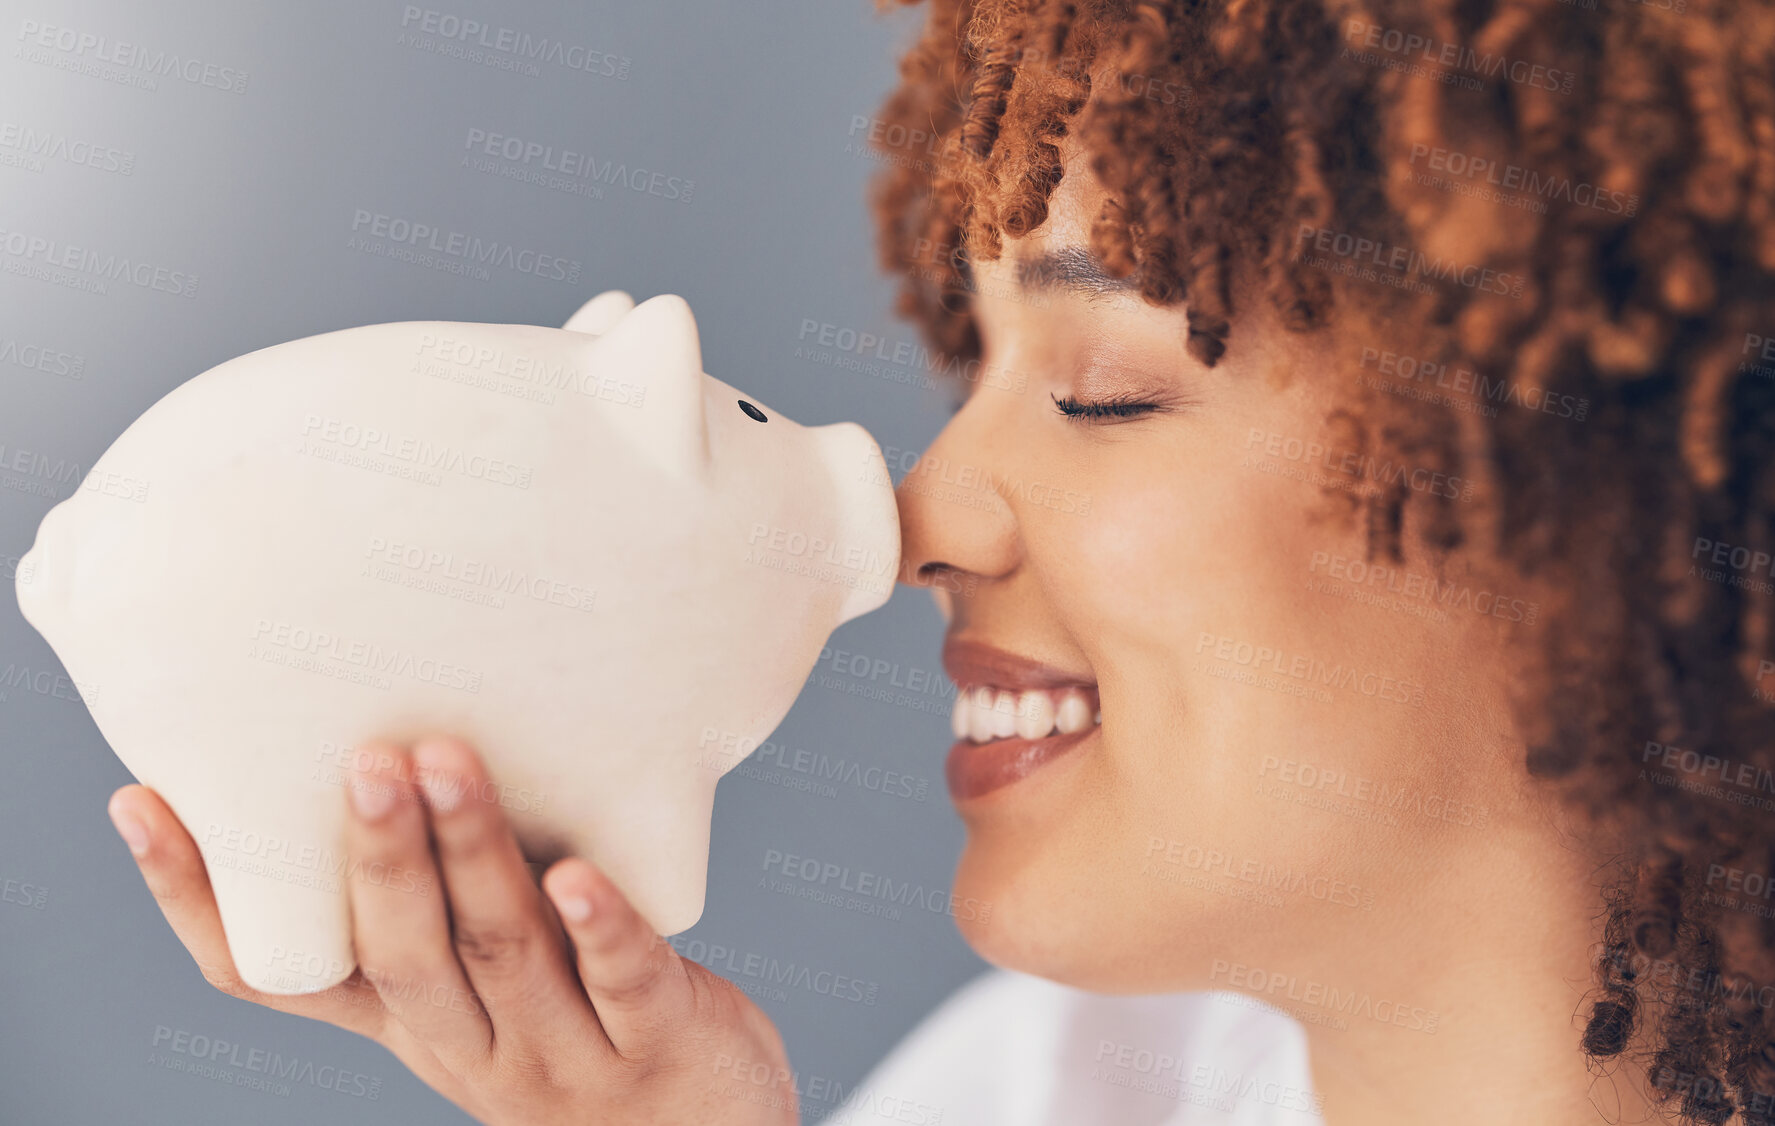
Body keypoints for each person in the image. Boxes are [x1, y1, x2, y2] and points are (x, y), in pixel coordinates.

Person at [103, 1, 1775, 1123]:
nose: (925, 514)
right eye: (963, 369)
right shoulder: (1050, 1085)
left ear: (1597, 489)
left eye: (1104, 393)